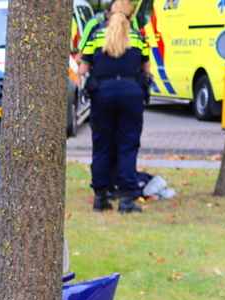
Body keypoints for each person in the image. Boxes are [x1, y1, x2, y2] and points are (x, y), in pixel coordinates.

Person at [79, 0, 151, 214]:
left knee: (102, 145)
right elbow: (146, 69)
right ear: (130, 17)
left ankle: (100, 198)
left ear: (109, 14)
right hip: (131, 93)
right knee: (127, 146)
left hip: (103, 93)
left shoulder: (97, 36)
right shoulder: (138, 38)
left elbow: (83, 68)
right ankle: (127, 201)